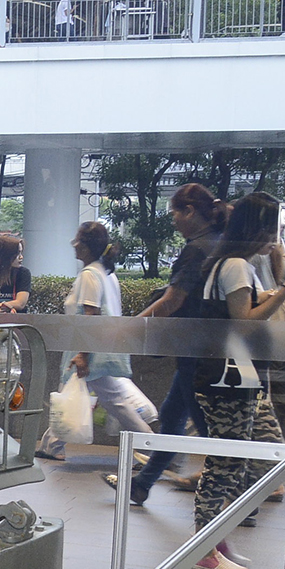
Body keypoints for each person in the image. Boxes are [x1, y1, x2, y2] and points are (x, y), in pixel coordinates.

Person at [183, 192, 285, 569]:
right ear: (256, 228)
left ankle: (214, 540)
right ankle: (205, 549)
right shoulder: (237, 266)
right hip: (230, 380)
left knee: (242, 461)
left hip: (231, 378)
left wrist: (280, 286)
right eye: (271, 230)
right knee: (226, 465)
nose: (275, 239)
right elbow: (244, 322)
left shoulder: (226, 263)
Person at [106, 182, 223, 506]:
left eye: (175, 213)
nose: (173, 220)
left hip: (195, 350)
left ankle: (238, 496)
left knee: (207, 429)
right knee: (173, 415)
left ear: (190, 211)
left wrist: (133, 327)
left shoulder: (197, 249)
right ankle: (142, 484)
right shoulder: (217, 242)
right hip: (204, 348)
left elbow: (173, 299)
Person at [36, 223, 158, 461]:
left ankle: (152, 449)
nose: (74, 245)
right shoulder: (106, 273)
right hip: (102, 346)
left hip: (91, 348)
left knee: (114, 401)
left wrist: (84, 354)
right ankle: (52, 445)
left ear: (86, 246)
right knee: (84, 394)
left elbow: (90, 316)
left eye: (77, 240)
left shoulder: (89, 275)